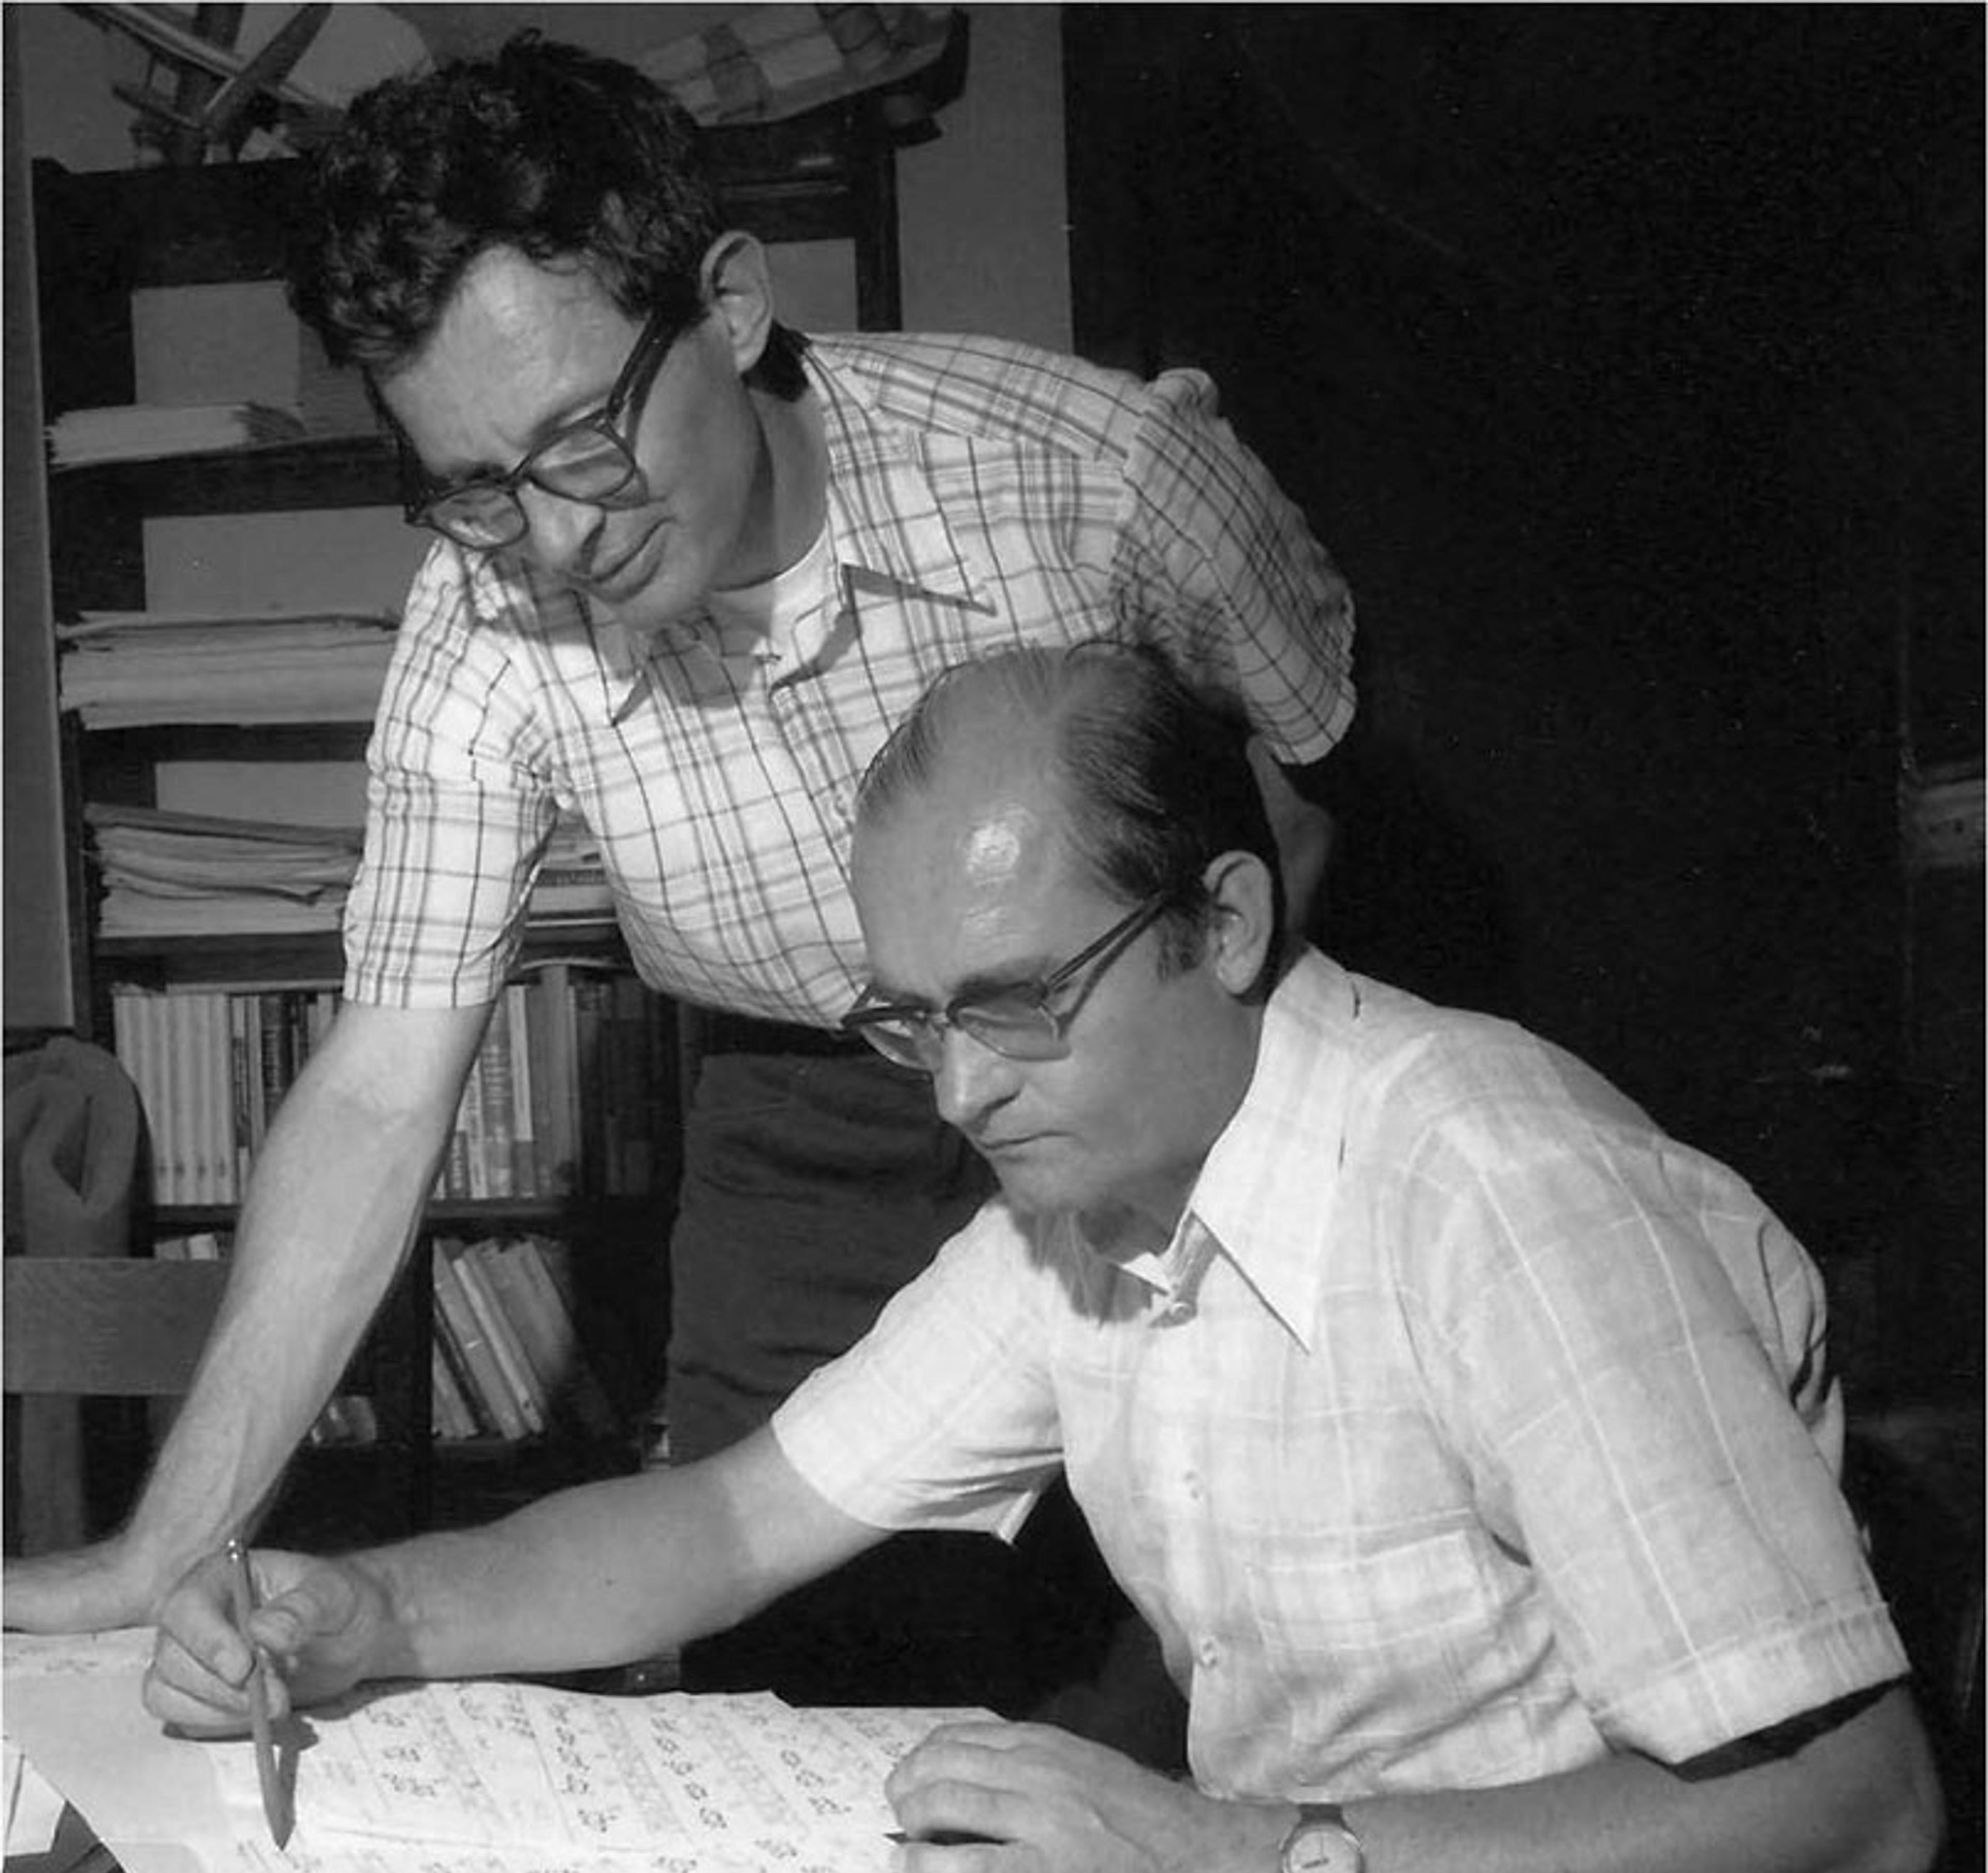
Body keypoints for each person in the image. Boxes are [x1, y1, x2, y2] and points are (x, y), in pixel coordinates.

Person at [146, 643, 1940, 1873]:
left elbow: (1853, 1804)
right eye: (914, 1018)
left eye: (1013, 1003)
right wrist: (363, 1611)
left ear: (1222, 923)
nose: (956, 1090)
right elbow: (733, 1520)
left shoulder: (1502, 1190)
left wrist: (1250, 1858)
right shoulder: (1096, 1205)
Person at [6, 34, 1354, 1703]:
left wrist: (1195, 1112)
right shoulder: (485, 619)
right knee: (791, 1685)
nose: (557, 539)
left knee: (1205, 1651)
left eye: (582, 439)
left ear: (729, 305)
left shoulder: (1100, 477)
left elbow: (1304, 789)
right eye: (477, 488)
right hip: (803, 1116)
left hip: (1158, 1059)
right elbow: (376, 1094)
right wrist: (166, 1551)